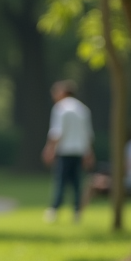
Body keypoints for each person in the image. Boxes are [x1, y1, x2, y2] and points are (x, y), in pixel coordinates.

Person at [42, 80, 95, 223]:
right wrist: (89, 153)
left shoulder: (60, 108)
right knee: (77, 183)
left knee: (60, 182)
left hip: (64, 151)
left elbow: (57, 132)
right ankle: (77, 211)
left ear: (63, 92)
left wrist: (49, 149)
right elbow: (88, 134)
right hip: (79, 151)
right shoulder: (83, 109)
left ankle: (54, 210)